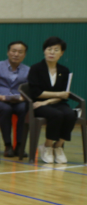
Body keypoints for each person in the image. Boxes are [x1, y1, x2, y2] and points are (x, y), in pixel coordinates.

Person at [28, 36, 77, 165]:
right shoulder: (36, 68)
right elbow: (36, 93)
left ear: (62, 53)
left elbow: (64, 95)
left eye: (56, 50)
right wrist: (57, 95)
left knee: (71, 114)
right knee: (56, 115)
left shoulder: (64, 71)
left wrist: (47, 101)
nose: (52, 52)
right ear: (44, 51)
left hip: (54, 103)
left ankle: (58, 146)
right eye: (49, 49)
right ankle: (47, 146)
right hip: (38, 105)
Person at [0, 41, 30, 158]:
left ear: (24, 55)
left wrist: (23, 97)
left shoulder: (28, 70)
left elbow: (29, 88)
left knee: (25, 109)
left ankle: (20, 146)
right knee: (6, 110)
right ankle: (8, 145)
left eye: (20, 52)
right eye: (13, 51)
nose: (16, 54)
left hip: (18, 100)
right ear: (8, 52)